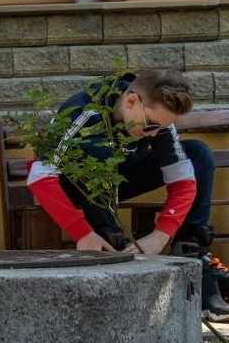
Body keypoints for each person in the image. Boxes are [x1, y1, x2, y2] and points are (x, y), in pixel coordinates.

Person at [26, 69, 229, 320]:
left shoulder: (157, 122)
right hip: (78, 183)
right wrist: (82, 232)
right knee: (96, 158)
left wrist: (161, 234)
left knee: (198, 153)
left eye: (163, 127)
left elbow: (183, 181)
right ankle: (116, 250)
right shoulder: (82, 112)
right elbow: (40, 178)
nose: (156, 134)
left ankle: (192, 256)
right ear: (132, 101)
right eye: (151, 126)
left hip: (124, 176)